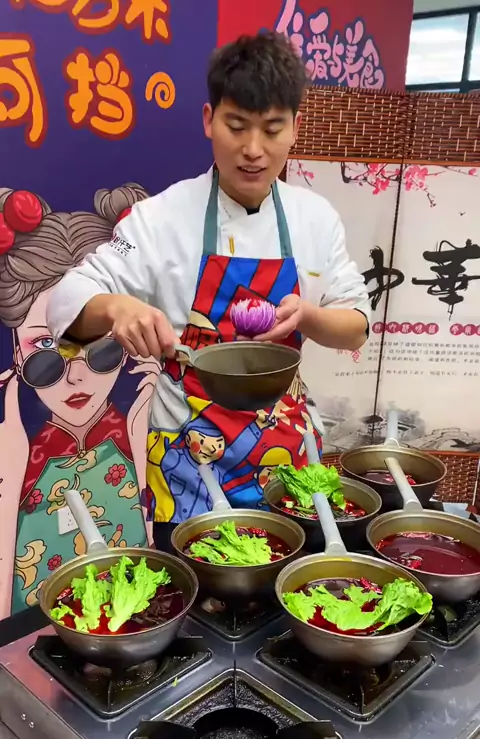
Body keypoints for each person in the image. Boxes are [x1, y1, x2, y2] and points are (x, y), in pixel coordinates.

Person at [47, 32, 370, 555]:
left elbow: (355, 323)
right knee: (195, 590)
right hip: (186, 454)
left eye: (272, 129)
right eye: (236, 126)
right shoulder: (162, 217)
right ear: (208, 120)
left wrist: (308, 316)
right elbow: (68, 300)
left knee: (292, 586)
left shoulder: (315, 218)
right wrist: (115, 307)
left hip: (285, 457)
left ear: (295, 128)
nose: (253, 149)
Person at [0, 185, 156, 618]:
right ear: (16, 353)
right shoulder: (17, 455)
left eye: (98, 343)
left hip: (131, 617)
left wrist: (140, 439)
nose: (75, 375)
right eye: (45, 348)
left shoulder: (136, 428)